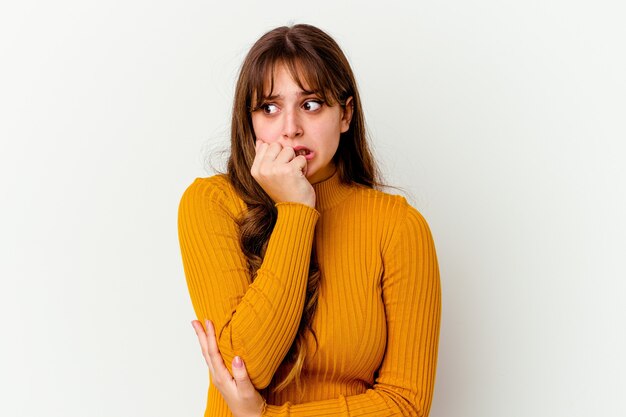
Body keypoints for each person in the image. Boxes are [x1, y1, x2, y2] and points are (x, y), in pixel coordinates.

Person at [178, 23, 441, 417]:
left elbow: (405, 404)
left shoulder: (398, 227)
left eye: (311, 104)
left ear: (346, 114)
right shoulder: (212, 203)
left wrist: (267, 416)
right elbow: (245, 367)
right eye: (269, 107)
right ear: (249, 121)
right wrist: (297, 211)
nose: (290, 128)